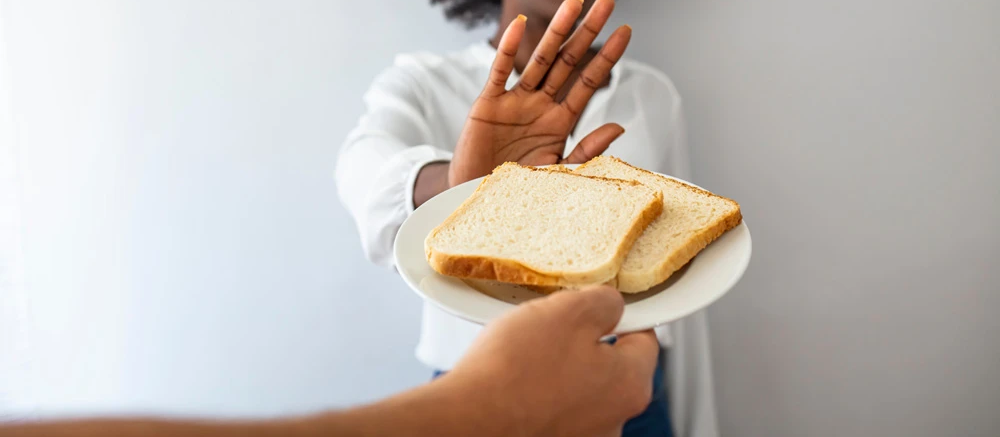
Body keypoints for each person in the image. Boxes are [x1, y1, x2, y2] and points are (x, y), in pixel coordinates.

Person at [335, 0, 720, 436]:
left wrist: (694, 421)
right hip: (478, 391)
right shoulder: (426, 83)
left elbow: (687, 280)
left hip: (631, 389)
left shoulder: (650, 93)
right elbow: (363, 168)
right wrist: (467, 186)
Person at [0, 287, 659, 436]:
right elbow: (374, 176)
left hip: (626, 375)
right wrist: (490, 407)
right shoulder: (419, 78)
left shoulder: (652, 91)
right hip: (476, 378)